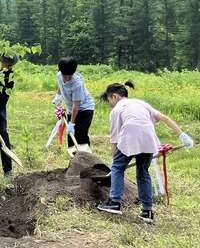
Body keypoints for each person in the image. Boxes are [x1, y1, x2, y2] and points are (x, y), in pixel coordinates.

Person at [96, 82, 193, 224]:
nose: (110, 103)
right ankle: (147, 211)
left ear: (115, 96)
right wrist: (182, 135)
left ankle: (114, 202)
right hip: (149, 138)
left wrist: (115, 160)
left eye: (109, 100)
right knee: (143, 172)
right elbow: (164, 118)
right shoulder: (141, 103)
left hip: (130, 136)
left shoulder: (117, 110)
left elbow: (115, 138)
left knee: (118, 167)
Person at [52, 57, 95, 154]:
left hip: (85, 109)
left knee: (80, 134)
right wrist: (58, 96)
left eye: (69, 76)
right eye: (65, 76)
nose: (67, 78)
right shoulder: (59, 75)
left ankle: (86, 160)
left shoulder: (77, 83)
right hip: (72, 109)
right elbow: (61, 86)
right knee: (71, 137)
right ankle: (74, 162)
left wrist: (72, 123)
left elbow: (77, 105)